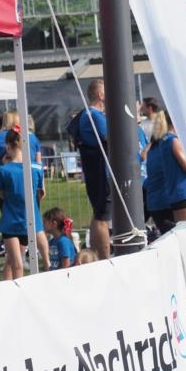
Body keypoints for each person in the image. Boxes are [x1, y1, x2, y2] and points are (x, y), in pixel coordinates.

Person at [0, 128, 45, 279]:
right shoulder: (36, 167)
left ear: (8, 146)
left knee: (13, 262)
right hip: (20, 222)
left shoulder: (3, 170)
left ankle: (8, 291)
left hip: (15, 221)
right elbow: (40, 193)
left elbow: (1, 194)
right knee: (16, 263)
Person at [76, 80, 111, 259]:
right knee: (102, 217)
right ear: (100, 95)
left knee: (99, 214)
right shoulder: (95, 116)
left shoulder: (88, 114)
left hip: (95, 171)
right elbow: (112, 137)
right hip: (100, 171)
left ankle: (95, 255)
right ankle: (105, 258)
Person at [148, 109, 186, 227]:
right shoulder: (173, 140)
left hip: (175, 194)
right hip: (185, 193)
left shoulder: (163, 141)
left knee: (182, 233)